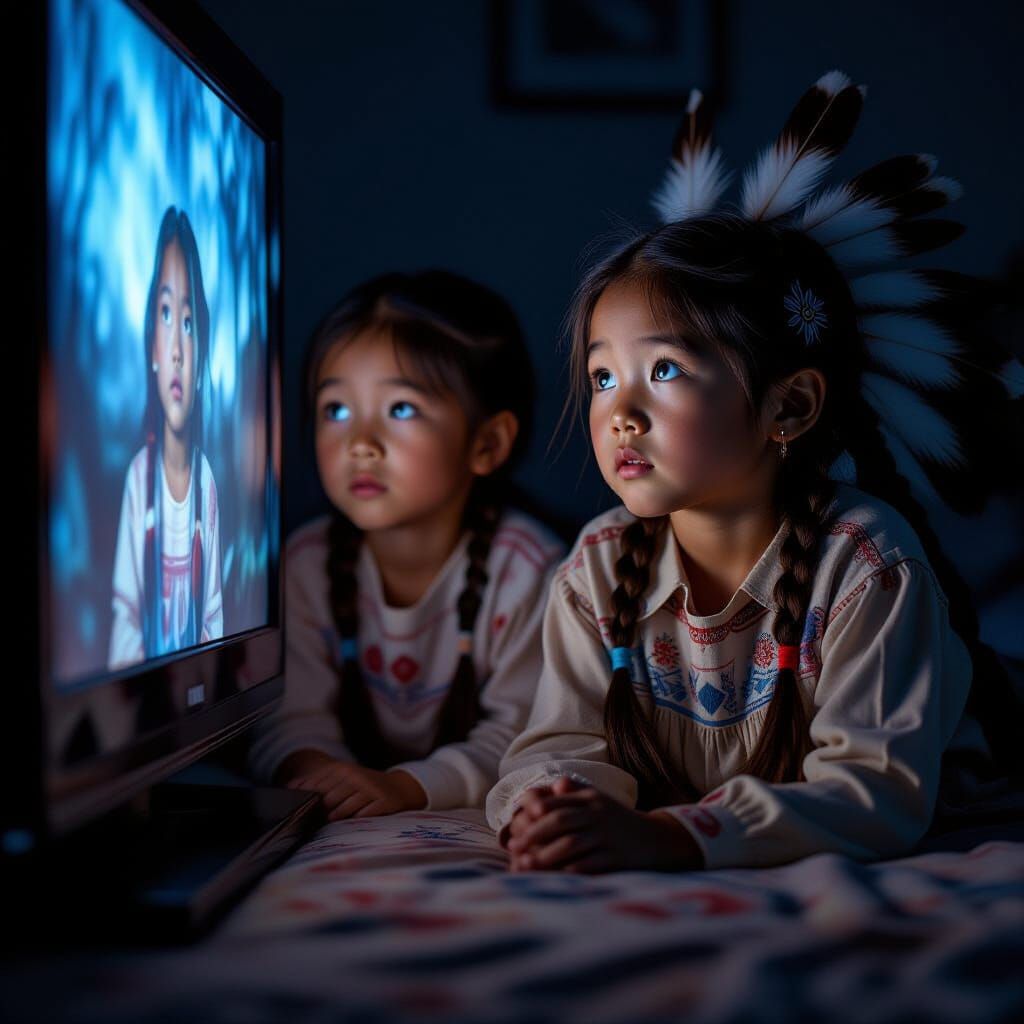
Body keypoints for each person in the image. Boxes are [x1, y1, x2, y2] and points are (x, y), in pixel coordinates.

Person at [487, 73, 1024, 872]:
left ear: (791, 407)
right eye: (602, 377)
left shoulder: (867, 564)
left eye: (664, 370)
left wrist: (672, 836)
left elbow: (873, 791)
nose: (619, 413)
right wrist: (552, 803)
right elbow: (558, 741)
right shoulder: (597, 566)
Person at [248, 271, 566, 818]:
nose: (361, 444)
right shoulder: (305, 565)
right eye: (336, 410)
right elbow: (288, 716)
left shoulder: (530, 571)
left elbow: (525, 737)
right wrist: (318, 773)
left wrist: (404, 787)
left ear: (487, 443)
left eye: (400, 409)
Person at [109, 206, 222, 669]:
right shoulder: (141, 479)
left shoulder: (206, 486)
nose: (177, 348)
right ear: (152, 348)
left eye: (190, 324)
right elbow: (124, 618)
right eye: (166, 314)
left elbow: (215, 620)